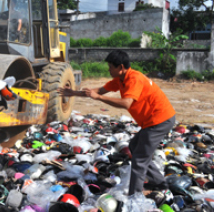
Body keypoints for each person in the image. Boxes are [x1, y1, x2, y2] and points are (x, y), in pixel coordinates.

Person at [58, 50, 176, 195]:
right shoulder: (121, 80)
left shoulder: (134, 79)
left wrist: (98, 98)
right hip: (151, 121)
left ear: (120, 67)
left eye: (110, 67)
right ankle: (159, 182)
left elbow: (126, 103)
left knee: (139, 160)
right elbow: (97, 91)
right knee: (134, 147)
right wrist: (73, 93)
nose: (108, 69)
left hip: (160, 120)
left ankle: (135, 196)